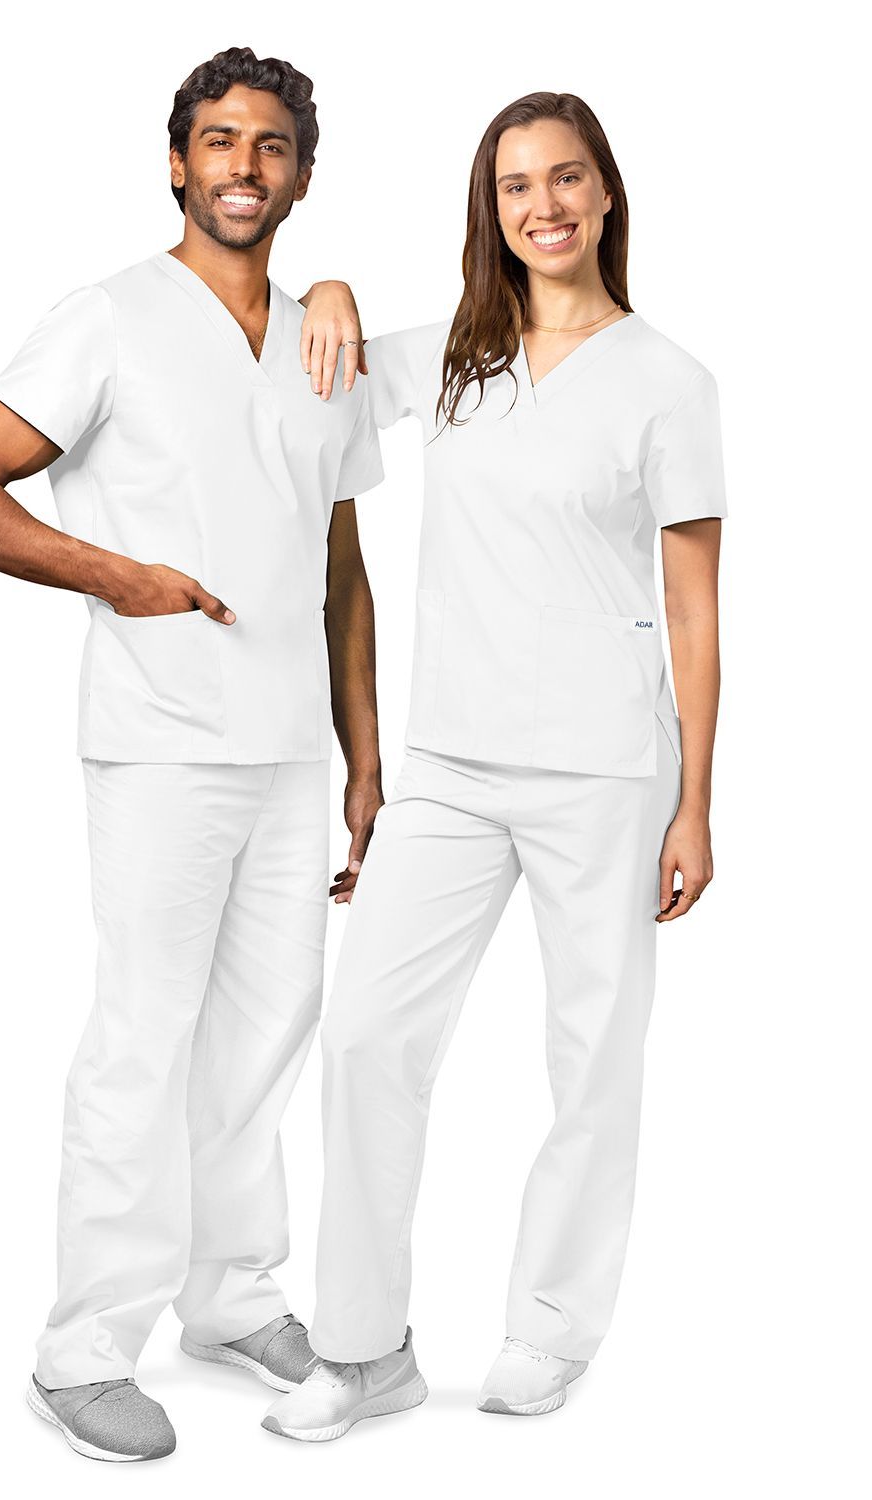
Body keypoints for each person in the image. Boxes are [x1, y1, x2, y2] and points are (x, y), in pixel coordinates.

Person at [0, 46, 384, 1463]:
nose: (245, 165)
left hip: (290, 753)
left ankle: (231, 1297)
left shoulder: (323, 343)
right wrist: (117, 576)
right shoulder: (107, 317)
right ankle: (83, 1351)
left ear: (303, 175)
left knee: (265, 1035)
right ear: (177, 162)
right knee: (144, 1037)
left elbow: (342, 568)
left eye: (272, 145)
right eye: (219, 140)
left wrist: (365, 755)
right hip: (162, 741)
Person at [262, 90, 728, 1442]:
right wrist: (334, 282)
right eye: (516, 185)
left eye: (566, 177)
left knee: (593, 1057)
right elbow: (318, 360)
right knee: (367, 1037)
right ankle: (363, 1350)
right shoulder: (459, 357)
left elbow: (694, 606)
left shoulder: (670, 382)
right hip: (452, 769)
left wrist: (697, 800)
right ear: (493, 209)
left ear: (605, 192)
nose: (544, 205)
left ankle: (550, 1329)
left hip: (605, 770)